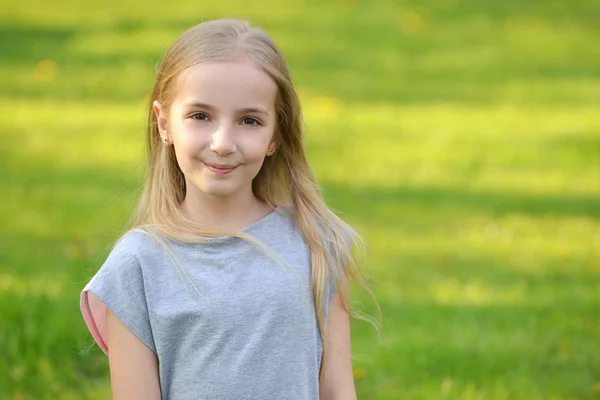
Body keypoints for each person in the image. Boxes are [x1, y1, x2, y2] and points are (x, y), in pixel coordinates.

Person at [80, 18, 379, 400]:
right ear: (163, 123)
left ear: (275, 136)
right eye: (200, 116)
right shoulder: (137, 266)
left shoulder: (316, 244)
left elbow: (337, 390)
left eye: (249, 121)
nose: (223, 142)